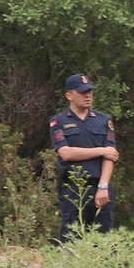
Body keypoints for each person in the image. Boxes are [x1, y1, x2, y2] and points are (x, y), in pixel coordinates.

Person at [50, 73, 118, 241]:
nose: (87, 95)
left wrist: (103, 186)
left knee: (102, 241)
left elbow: (111, 155)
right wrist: (100, 150)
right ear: (69, 95)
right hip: (73, 188)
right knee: (71, 239)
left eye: (89, 92)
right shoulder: (59, 121)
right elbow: (65, 153)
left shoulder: (103, 120)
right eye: (82, 92)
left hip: (100, 188)